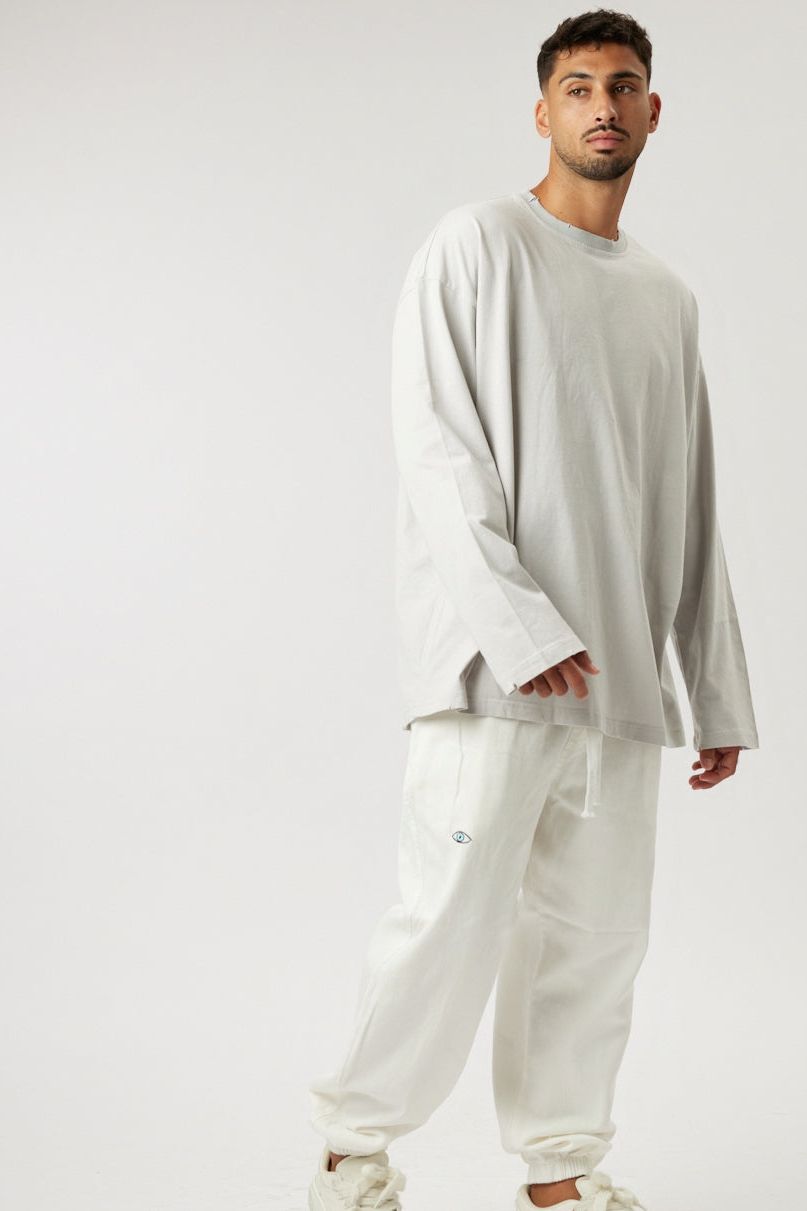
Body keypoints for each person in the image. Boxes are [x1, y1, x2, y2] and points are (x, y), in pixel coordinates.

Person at [306, 10, 759, 1210]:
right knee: (447, 918)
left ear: (653, 111)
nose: (603, 104)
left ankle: (561, 1171)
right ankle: (352, 1152)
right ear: (543, 110)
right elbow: (436, 450)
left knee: (594, 940)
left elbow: (690, 499)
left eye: (623, 84)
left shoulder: (667, 297)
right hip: (491, 673)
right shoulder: (477, 245)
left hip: (619, 685)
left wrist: (711, 689)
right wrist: (521, 628)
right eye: (578, 85)